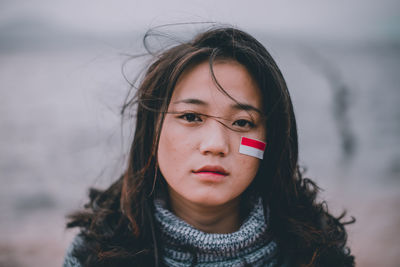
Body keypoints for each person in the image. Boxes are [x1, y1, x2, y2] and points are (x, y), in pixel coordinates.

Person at [63, 26, 355, 267]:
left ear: (270, 141)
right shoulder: (94, 254)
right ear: (151, 132)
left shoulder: (321, 254)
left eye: (242, 123)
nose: (215, 145)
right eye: (191, 117)